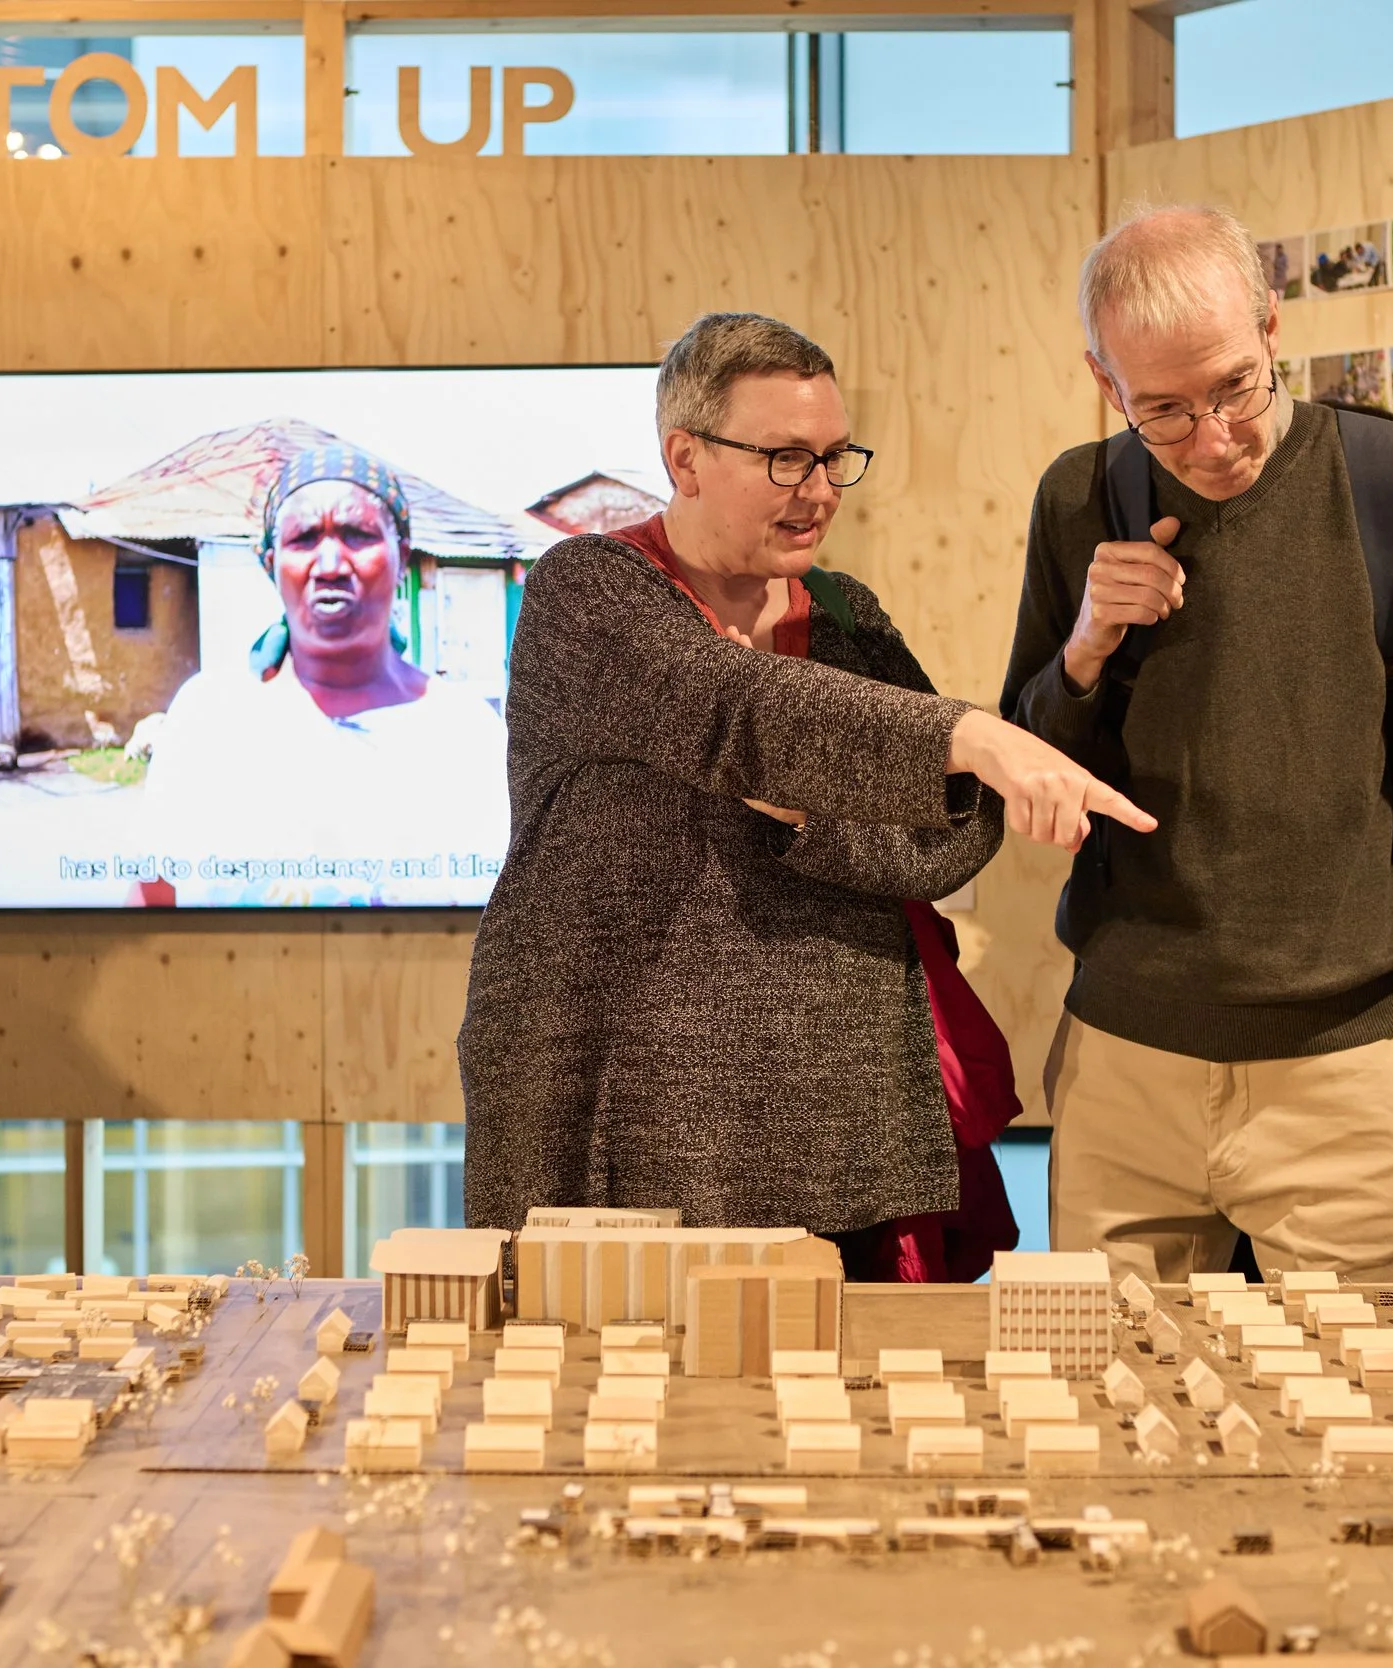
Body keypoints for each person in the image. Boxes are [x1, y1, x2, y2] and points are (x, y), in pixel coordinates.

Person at [460, 312, 1147, 1258]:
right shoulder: (587, 591)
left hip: (846, 1113)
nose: (820, 492)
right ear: (686, 457)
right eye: (786, 459)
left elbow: (950, 831)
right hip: (641, 1114)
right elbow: (733, 703)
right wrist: (969, 733)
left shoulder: (845, 611)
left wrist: (805, 811)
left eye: (834, 458)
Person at [1000, 204, 1393, 1285]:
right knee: (1112, 1420)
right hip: (1124, 1063)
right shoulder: (1081, 496)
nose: (1213, 438)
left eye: (1234, 387)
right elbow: (1028, 756)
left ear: (1272, 326)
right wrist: (1089, 646)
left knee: (1368, 1426)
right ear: (1105, 382)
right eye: (1164, 410)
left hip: (1353, 1069)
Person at [131, 445, 511, 907]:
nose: (330, 565)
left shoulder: (464, 732)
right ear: (270, 563)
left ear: (401, 557)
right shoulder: (209, 716)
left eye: (357, 535)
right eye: (304, 538)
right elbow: (151, 907)